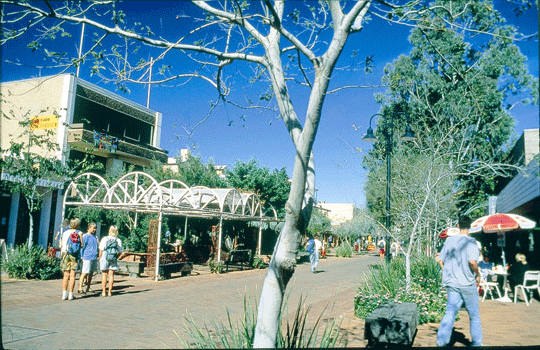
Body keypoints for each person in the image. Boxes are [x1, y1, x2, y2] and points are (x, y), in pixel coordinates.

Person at [436, 215, 482, 347]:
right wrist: (477, 274)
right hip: (467, 283)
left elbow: (441, 258)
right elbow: (472, 262)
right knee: (474, 316)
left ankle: (441, 342)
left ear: (458, 226)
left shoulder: (449, 241)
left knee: (450, 313)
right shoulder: (471, 242)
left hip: (452, 283)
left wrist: (446, 271)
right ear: (470, 226)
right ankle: (477, 344)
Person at [60, 218, 83, 301]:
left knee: (65, 275)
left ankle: (64, 294)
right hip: (74, 256)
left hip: (66, 254)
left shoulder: (65, 233)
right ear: (77, 225)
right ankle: (70, 294)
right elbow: (81, 245)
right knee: (73, 275)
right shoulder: (79, 233)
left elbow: (62, 244)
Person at [98, 225, 123, 297]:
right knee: (111, 275)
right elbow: (120, 251)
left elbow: (101, 250)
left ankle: (103, 292)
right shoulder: (118, 240)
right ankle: (109, 292)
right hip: (113, 257)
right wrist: (117, 257)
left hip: (105, 256)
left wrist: (99, 257)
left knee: (104, 274)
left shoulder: (104, 239)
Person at [78, 222, 99, 294]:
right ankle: (80, 288)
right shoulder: (85, 236)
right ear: (89, 228)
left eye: (95, 228)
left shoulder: (95, 237)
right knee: (84, 273)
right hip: (87, 256)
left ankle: (88, 287)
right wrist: (82, 256)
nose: (94, 230)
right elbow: (82, 247)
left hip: (93, 257)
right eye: (93, 228)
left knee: (91, 273)